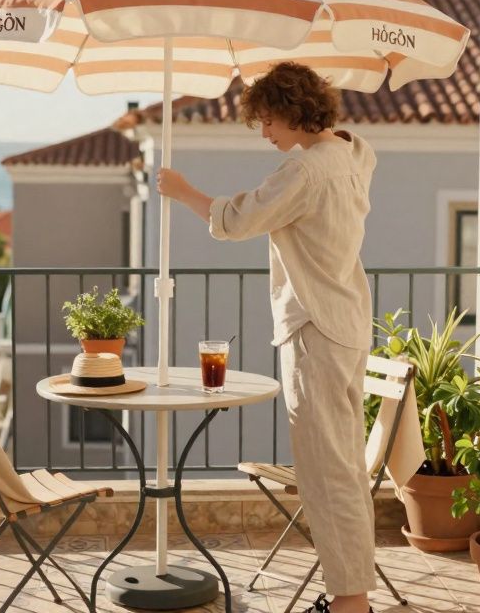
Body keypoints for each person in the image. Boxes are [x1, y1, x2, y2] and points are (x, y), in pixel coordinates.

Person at [157, 62, 378, 613]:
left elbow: (237, 220)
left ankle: (351, 604)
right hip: (348, 325)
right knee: (345, 470)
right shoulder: (355, 153)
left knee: (327, 477)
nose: (265, 134)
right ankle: (352, 597)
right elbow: (338, 157)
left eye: (268, 120)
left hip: (314, 330)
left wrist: (184, 192)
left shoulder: (304, 173)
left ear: (292, 111)